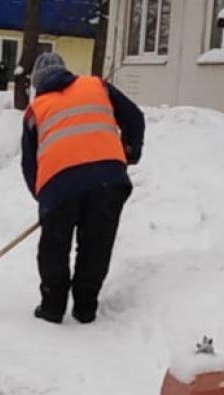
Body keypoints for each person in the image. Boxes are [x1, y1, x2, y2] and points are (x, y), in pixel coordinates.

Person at [21, 52, 145, 324]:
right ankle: (85, 307)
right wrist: (130, 152)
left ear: (35, 83)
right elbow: (134, 116)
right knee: (96, 244)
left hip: (59, 186)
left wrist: (44, 201)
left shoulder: (35, 110)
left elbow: (29, 164)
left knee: (55, 246)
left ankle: (52, 307)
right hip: (108, 180)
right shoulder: (96, 86)